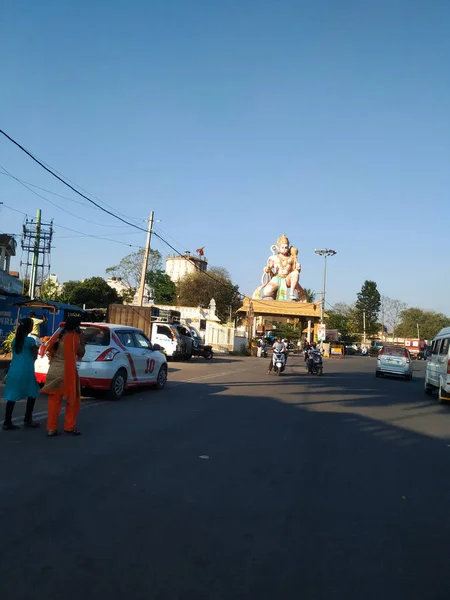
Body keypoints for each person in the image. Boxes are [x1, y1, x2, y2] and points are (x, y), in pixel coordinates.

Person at [41, 317, 85, 437]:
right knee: (72, 400)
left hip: (54, 371)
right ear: (76, 327)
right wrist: (82, 340)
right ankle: (69, 427)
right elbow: (81, 352)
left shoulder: (59, 337)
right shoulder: (74, 338)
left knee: (54, 401)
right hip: (67, 373)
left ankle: (51, 428)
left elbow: (49, 350)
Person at [2, 317, 41, 431]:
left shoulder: (15, 341)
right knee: (32, 393)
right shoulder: (30, 341)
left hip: (14, 370)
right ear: (29, 328)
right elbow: (34, 356)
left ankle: (7, 421)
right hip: (26, 370)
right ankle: (28, 419)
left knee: (11, 396)